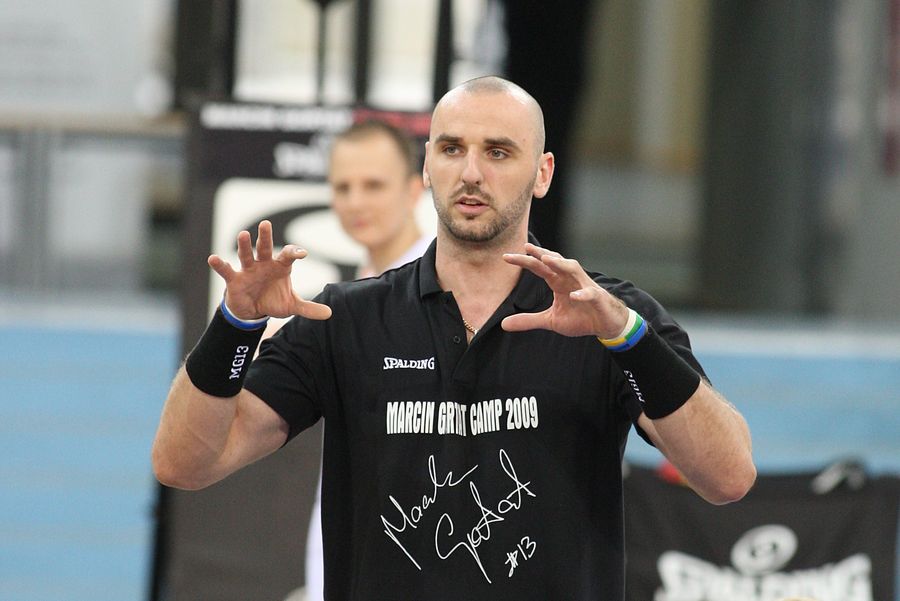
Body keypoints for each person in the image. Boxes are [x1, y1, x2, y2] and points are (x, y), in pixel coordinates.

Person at [152, 76, 756, 600]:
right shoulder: (346, 319)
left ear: (543, 173)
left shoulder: (608, 316)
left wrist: (628, 337)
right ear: (427, 166)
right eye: (451, 148)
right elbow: (184, 463)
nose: (471, 172)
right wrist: (234, 324)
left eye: (498, 152)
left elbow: (728, 476)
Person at [305, 119, 434, 601]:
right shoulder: (353, 294)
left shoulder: (442, 290)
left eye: (373, 185)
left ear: (414, 188)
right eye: (343, 187)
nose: (356, 202)